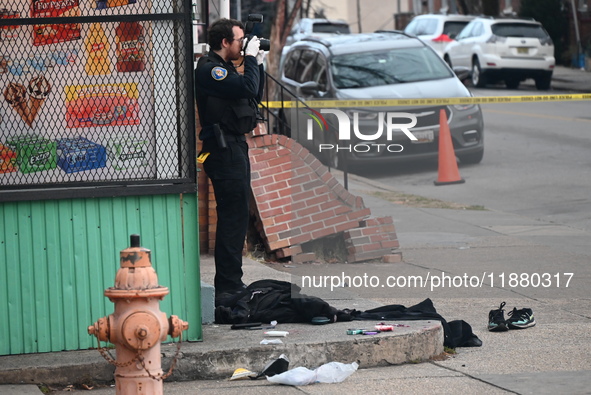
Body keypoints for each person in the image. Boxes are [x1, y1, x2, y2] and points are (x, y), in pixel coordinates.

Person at [194, 18, 265, 306]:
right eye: (239, 40)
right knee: (232, 220)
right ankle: (228, 287)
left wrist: (256, 61)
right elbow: (246, 88)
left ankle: (232, 283)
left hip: (234, 146)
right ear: (225, 42)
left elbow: (253, 94)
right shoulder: (211, 70)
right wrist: (249, 58)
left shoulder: (226, 69)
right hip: (223, 150)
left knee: (236, 219)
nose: (242, 45)